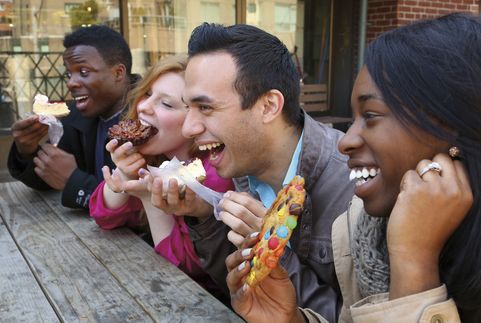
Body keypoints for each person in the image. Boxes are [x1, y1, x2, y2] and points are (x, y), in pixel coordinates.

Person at [226, 13, 481, 323]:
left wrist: (413, 263)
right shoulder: (363, 231)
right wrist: (289, 320)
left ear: (454, 128)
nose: (345, 142)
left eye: (371, 115)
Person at [147, 23, 354, 320]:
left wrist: (272, 251)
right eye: (187, 108)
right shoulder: (241, 168)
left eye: (205, 108)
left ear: (268, 106)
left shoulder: (354, 189)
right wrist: (204, 216)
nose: (188, 128)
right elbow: (243, 296)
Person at [88, 56, 234, 291]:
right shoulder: (156, 157)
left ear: (197, 119)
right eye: (147, 94)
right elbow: (103, 217)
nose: (143, 107)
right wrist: (125, 174)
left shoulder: (215, 175)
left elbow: (184, 269)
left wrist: (149, 198)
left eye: (166, 104)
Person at [8, 25, 140, 209]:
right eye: (68, 74)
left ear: (118, 73)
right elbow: (47, 180)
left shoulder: (149, 119)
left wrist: (74, 181)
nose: (71, 83)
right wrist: (26, 150)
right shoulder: (76, 117)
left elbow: (139, 206)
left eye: (83, 72)